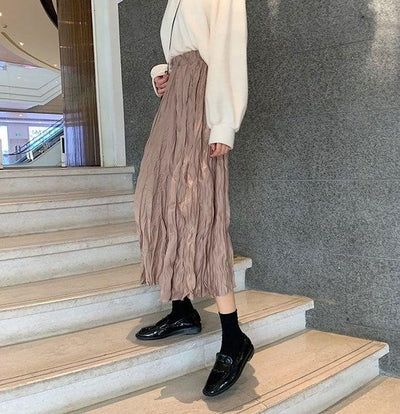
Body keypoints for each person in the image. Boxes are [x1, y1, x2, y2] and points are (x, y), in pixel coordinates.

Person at [133, 0, 252, 397]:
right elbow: (179, 48)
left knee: (198, 208)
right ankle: (182, 308)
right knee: (156, 200)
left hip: (203, 101)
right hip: (176, 103)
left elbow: (228, 50)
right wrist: (162, 74)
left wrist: (224, 123)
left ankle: (234, 338)